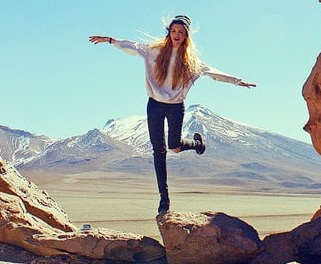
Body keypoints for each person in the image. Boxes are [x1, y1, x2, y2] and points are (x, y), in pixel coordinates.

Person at [89, 15, 255, 214]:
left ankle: (197, 144)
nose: (177, 35)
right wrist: (110, 41)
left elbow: (214, 73)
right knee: (158, 151)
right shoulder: (154, 51)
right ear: (169, 32)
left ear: (186, 36)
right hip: (154, 106)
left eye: (181, 32)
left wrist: (238, 81)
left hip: (176, 107)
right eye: (174, 31)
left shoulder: (192, 62)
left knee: (174, 147)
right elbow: (132, 46)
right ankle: (164, 200)